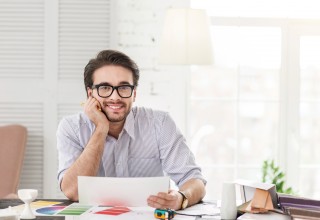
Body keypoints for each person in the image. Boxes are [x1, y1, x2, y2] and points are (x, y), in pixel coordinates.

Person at [56, 49, 206, 210]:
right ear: (90, 94)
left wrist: (181, 198)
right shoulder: (71, 128)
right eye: (105, 88)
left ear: (134, 93)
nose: (115, 97)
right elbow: (72, 192)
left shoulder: (160, 124)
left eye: (124, 87)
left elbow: (195, 181)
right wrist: (101, 129)